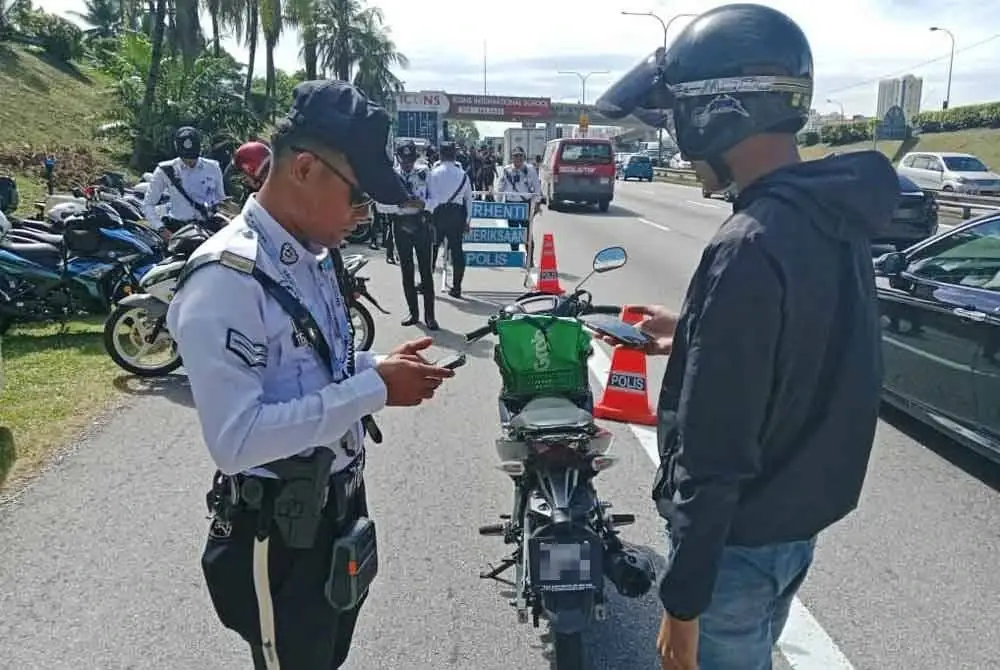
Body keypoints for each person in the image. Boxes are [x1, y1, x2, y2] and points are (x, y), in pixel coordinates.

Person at [595, 5, 897, 670]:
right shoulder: (828, 212)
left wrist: (682, 602)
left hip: (736, 546)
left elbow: (716, 451)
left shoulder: (750, 245)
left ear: (718, 113)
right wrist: (693, 331)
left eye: (678, 118)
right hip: (793, 530)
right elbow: (806, 342)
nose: (678, 142)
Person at [165, 80, 454, 670]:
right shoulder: (228, 279)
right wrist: (374, 389)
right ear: (303, 168)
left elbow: (311, 368)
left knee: (326, 653)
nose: (361, 216)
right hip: (280, 530)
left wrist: (380, 366)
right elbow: (236, 440)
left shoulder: (311, 255)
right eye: (356, 197)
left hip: (334, 507)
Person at [142, 126, 226, 239]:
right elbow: (148, 204)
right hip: (177, 230)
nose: (190, 161)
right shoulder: (165, 170)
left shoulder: (213, 167)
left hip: (207, 229)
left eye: (193, 156)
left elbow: (221, 200)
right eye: (185, 157)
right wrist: (161, 228)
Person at [391, 141, 437, 329]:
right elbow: (380, 204)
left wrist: (423, 205)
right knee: (406, 270)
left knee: (426, 271)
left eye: (410, 160)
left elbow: (436, 198)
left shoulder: (425, 173)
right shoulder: (392, 176)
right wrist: (398, 205)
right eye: (403, 160)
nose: (407, 164)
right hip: (401, 224)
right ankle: (413, 312)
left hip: (421, 224)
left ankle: (430, 316)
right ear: (398, 158)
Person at [427, 141, 473, 299]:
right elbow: (469, 200)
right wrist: (467, 220)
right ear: (454, 155)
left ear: (440, 154)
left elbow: (430, 197)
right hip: (456, 214)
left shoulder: (434, 173)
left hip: (437, 214)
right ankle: (457, 287)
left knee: (431, 250)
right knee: (457, 251)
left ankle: (426, 284)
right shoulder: (463, 174)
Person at [495, 146, 540, 254]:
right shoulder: (507, 170)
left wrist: (536, 203)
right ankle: (514, 256)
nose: (518, 158)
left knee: (527, 233)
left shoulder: (530, 169)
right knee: (513, 233)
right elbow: (500, 187)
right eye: (516, 156)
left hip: (525, 205)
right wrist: (498, 203)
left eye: (520, 156)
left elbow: (537, 187)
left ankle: (529, 260)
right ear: (512, 158)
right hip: (511, 205)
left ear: (524, 157)